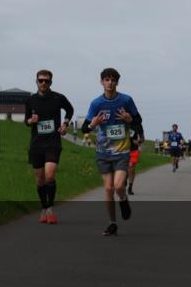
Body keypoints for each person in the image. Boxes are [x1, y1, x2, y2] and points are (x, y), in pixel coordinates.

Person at [81, 68, 142, 236]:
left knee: (118, 186)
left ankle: (123, 199)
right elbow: (84, 128)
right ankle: (112, 223)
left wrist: (130, 120)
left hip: (122, 151)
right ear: (101, 82)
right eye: (106, 79)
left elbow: (138, 120)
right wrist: (92, 125)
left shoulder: (126, 100)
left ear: (117, 82)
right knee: (108, 189)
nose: (109, 83)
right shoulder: (96, 104)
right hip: (103, 152)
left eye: (113, 80)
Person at [24, 70, 75, 224]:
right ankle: (43, 208)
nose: (43, 83)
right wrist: (30, 121)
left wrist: (65, 124)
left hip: (53, 142)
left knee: (50, 175)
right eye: (41, 80)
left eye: (47, 81)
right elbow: (26, 121)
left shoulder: (58, 97)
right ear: (36, 82)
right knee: (40, 180)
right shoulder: (30, 100)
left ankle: (51, 209)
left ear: (51, 82)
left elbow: (70, 109)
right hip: (36, 144)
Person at [127, 122, 145, 195]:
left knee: (131, 168)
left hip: (133, 150)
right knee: (123, 168)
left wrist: (139, 141)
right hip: (122, 149)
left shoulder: (138, 125)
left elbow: (143, 138)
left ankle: (130, 187)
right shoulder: (120, 122)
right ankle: (124, 178)